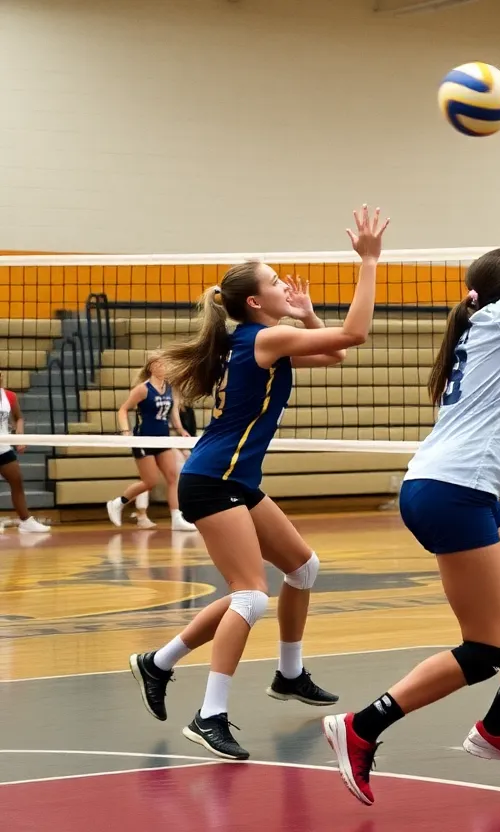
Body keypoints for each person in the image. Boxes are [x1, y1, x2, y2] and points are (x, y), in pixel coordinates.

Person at [324, 134, 500, 805]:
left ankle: (498, 726)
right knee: (481, 651)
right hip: (452, 492)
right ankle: (361, 726)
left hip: (463, 490)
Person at [127, 205, 389, 761]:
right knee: (249, 595)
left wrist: (310, 314)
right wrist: (368, 260)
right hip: (213, 479)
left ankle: (260, 672)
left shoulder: (265, 338)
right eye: (274, 282)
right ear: (254, 301)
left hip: (232, 478)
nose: (282, 285)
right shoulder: (262, 341)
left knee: (303, 566)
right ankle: (210, 715)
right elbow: (360, 332)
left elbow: (337, 352)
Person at [106, 353, 196, 531]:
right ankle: (118, 502)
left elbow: (173, 414)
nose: (164, 367)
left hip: (162, 439)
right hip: (143, 439)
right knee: (150, 481)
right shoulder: (143, 389)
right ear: (152, 367)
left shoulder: (171, 388)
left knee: (172, 477)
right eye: (160, 364)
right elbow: (123, 409)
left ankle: (177, 518)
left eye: (165, 364)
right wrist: (126, 431)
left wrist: (181, 431)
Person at [0, 375, 49, 533]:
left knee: (17, 480)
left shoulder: (9, 396)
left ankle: (25, 521)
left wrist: (20, 437)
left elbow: (19, 418)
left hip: (3, 447)